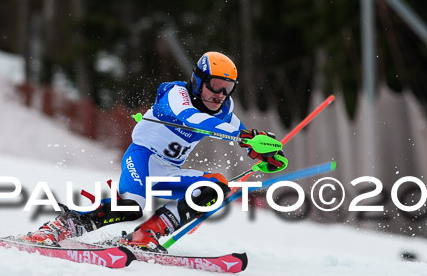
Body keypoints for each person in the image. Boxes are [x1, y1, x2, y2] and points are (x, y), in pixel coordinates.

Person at [23, 51, 286, 252]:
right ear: (198, 81)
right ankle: (57, 228)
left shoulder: (224, 110)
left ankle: (144, 236)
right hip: (142, 158)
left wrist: (265, 153)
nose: (220, 95)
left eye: (227, 88)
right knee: (129, 207)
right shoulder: (176, 94)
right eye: (215, 85)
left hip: (168, 170)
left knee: (215, 187)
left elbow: (241, 136)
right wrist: (245, 136)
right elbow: (193, 119)